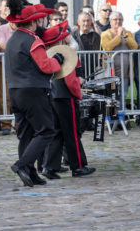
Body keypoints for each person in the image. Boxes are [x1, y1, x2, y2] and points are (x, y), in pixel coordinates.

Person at [3, 0, 61, 187]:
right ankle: (22, 165)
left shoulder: (12, 40)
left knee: (26, 134)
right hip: (32, 91)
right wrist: (58, 61)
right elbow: (45, 66)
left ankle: (31, 173)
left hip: (15, 92)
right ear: (32, 22)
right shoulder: (32, 40)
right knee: (46, 131)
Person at [39, 22, 95, 179]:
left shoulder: (48, 53)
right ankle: (77, 166)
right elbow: (71, 81)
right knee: (72, 133)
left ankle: (49, 167)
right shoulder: (65, 54)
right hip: (65, 97)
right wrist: (79, 85)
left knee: (56, 133)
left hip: (53, 96)